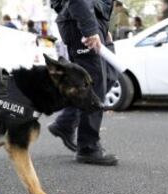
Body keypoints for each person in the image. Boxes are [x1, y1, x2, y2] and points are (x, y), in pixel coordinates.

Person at [48, 0, 118, 166]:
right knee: (93, 83)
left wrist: (102, 26)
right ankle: (88, 147)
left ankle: (65, 123)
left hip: (95, 18)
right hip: (80, 18)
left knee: (109, 75)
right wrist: (89, 28)